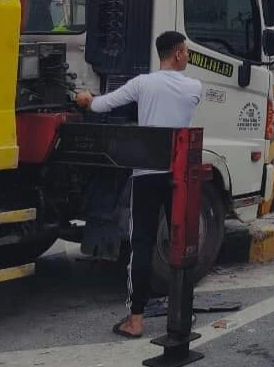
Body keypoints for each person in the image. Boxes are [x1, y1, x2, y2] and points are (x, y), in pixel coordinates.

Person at [74, 31, 203, 339]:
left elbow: (102, 106)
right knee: (182, 242)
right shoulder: (196, 87)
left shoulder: (142, 83)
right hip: (179, 176)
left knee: (141, 245)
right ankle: (185, 313)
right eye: (186, 52)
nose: (187, 56)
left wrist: (86, 100)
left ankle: (136, 320)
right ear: (178, 53)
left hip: (147, 174)